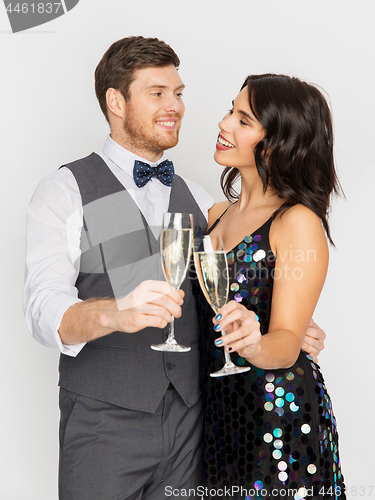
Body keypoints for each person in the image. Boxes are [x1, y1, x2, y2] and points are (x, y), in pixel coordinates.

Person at [23, 37, 326, 500]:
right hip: (105, 428)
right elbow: (43, 309)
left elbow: (248, 266)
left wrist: (284, 327)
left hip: (196, 430)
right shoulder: (66, 189)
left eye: (179, 93)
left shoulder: (203, 199)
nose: (176, 106)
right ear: (116, 101)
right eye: (157, 93)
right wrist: (112, 313)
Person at [197, 74, 345, 499]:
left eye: (243, 120)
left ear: (277, 143)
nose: (224, 124)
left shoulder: (296, 221)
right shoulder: (213, 214)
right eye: (231, 111)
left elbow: (286, 342)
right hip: (219, 412)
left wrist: (254, 342)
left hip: (276, 418)